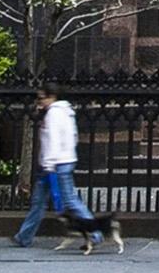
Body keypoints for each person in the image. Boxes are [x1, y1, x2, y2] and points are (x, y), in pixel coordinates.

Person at [12, 84, 99, 247]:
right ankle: (24, 236)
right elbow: (73, 137)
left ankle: (96, 233)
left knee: (69, 201)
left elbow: (52, 141)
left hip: (55, 165)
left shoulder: (53, 114)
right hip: (63, 161)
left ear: (52, 97)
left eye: (41, 98)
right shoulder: (67, 112)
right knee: (39, 201)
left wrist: (50, 165)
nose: (39, 101)